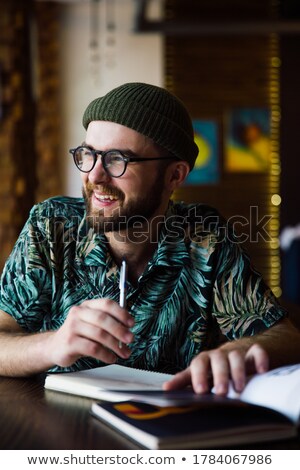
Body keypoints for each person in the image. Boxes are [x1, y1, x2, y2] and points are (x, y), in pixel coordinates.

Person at [0, 82, 299, 396]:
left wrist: (239, 350)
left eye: (117, 159)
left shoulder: (204, 237)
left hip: (168, 433)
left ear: (174, 176)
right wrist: (52, 345)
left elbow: (287, 338)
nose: (95, 176)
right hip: (55, 430)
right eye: (88, 154)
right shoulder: (51, 226)